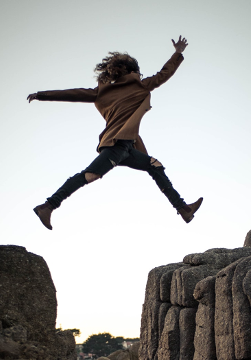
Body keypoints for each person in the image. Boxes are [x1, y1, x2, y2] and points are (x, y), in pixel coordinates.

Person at [28, 36, 203, 230]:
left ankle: (183, 209)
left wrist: (42, 95)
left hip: (127, 146)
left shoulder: (102, 92)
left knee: (154, 166)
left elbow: (72, 93)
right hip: (116, 145)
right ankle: (48, 206)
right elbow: (164, 74)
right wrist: (177, 53)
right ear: (132, 71)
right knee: (90, 175)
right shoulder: (140, 85)